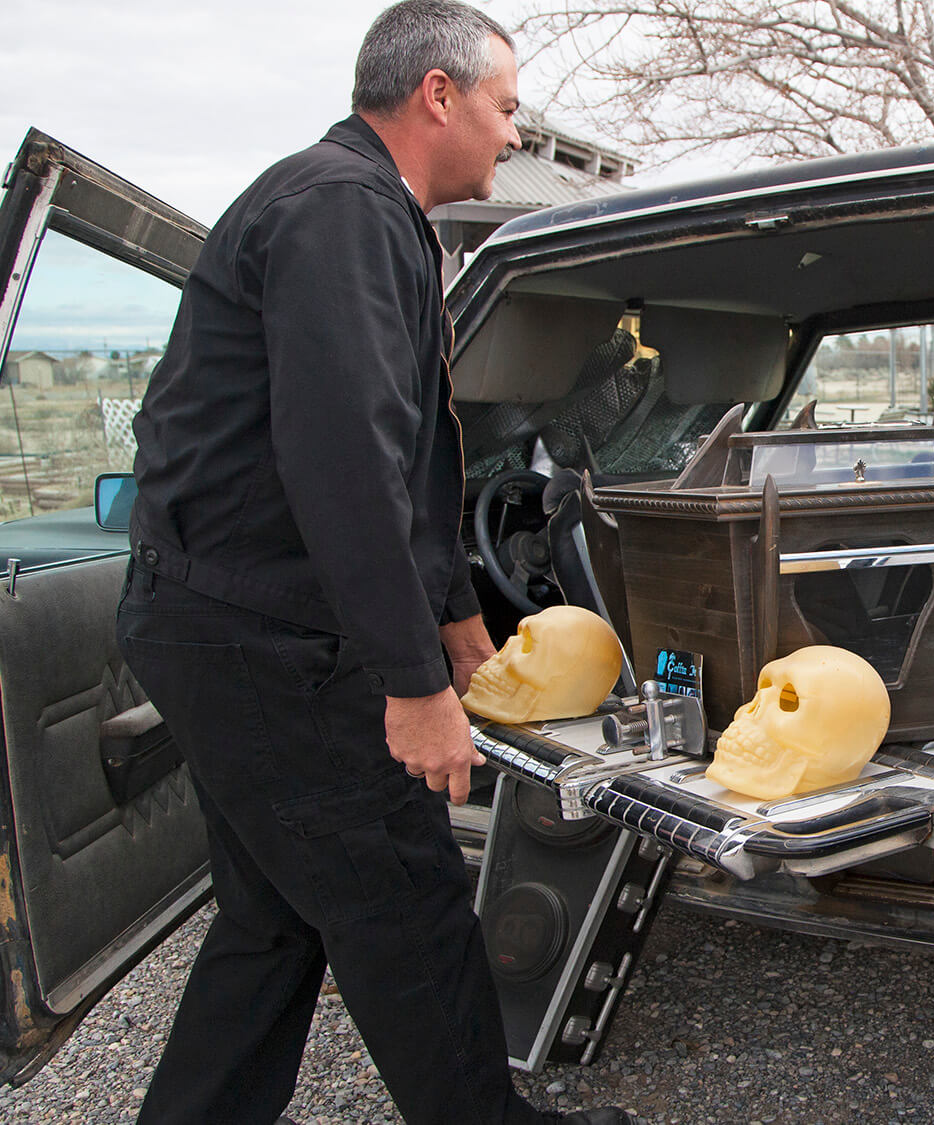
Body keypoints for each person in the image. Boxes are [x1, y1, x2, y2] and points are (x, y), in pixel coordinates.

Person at [116, 3, 631, 1123]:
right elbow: (341, 458)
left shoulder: (367, 214)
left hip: (224, 623)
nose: (510, 135)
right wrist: (412, 684)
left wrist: (452, 615)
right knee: (402, 895)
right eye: (504, 108)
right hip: (263, 638)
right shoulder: (339, 209)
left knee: (275, 916)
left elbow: (410, 453)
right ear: (436, 96)